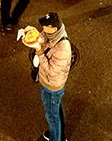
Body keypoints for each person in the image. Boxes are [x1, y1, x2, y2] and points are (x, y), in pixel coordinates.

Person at [30, 12, 74, 141]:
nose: (42, 30)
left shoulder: (63, 49)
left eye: (45, 27)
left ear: (53, 28)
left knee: (51, 115)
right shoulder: (56, 32)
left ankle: (56, 137)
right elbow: (43, 36)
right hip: (52, 84)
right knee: (56, 110)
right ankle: (60, 135)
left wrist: (39, 52)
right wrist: (33, 35)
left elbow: (51, 71)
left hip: (51, 86)